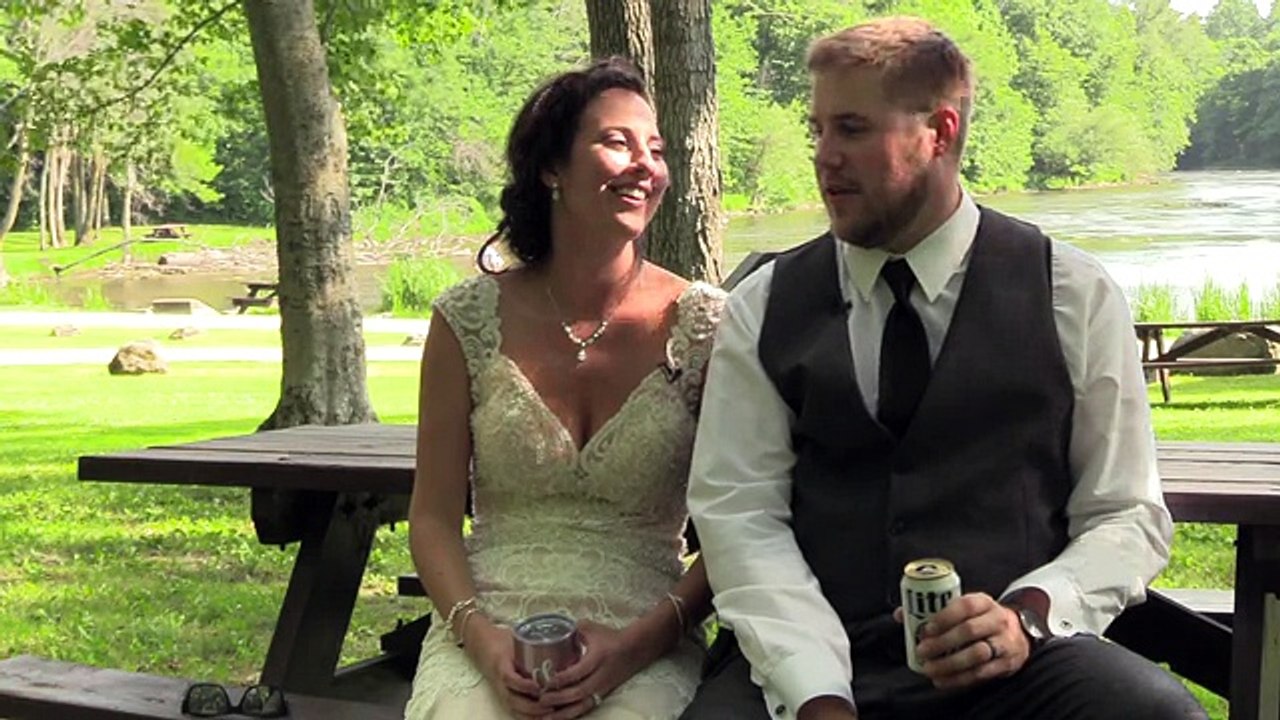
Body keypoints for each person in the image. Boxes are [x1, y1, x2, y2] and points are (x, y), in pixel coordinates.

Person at [682, 17, 1207, 720]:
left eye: (852, 129)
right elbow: (741, 517)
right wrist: (815, 691)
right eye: (818, 130)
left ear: (940, 131)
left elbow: (1125, 512)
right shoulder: (764, 305)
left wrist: (1028, 615)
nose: (824, 157)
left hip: (1019, 668)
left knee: (1153, 713)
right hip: (806, 656)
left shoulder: (1071, 294)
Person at [404, 57, 725, 720]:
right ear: (551, 167)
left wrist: (638, 646)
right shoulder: (464, 321)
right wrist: (482, 640)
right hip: (486, 630)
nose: (644, 165)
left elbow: (736, 524)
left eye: (656, 149)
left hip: (645, 637)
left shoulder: (707, 326)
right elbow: (433, 518)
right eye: (617, 142)